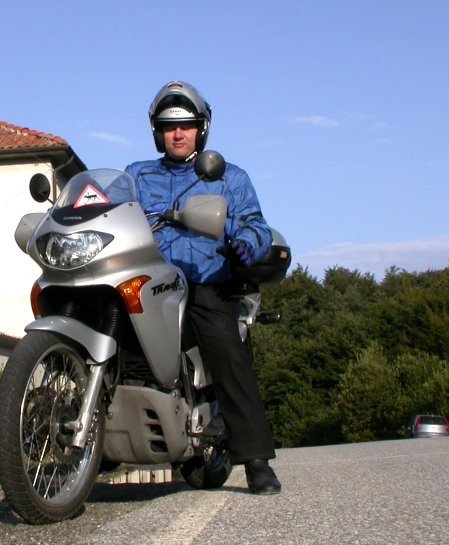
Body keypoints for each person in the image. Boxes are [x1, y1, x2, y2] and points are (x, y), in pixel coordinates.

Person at [125, 81, 281, 495]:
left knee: (227, 352)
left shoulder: (228, 176)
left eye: (187, 125)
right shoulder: (137, 175)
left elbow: (254, 223)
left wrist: (245, 242)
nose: (178, 134)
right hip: (150, 279)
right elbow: (111, 207)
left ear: (202, 128)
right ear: (157, 131)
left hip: (204, 281)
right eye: (169, 126)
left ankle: (256, 462)